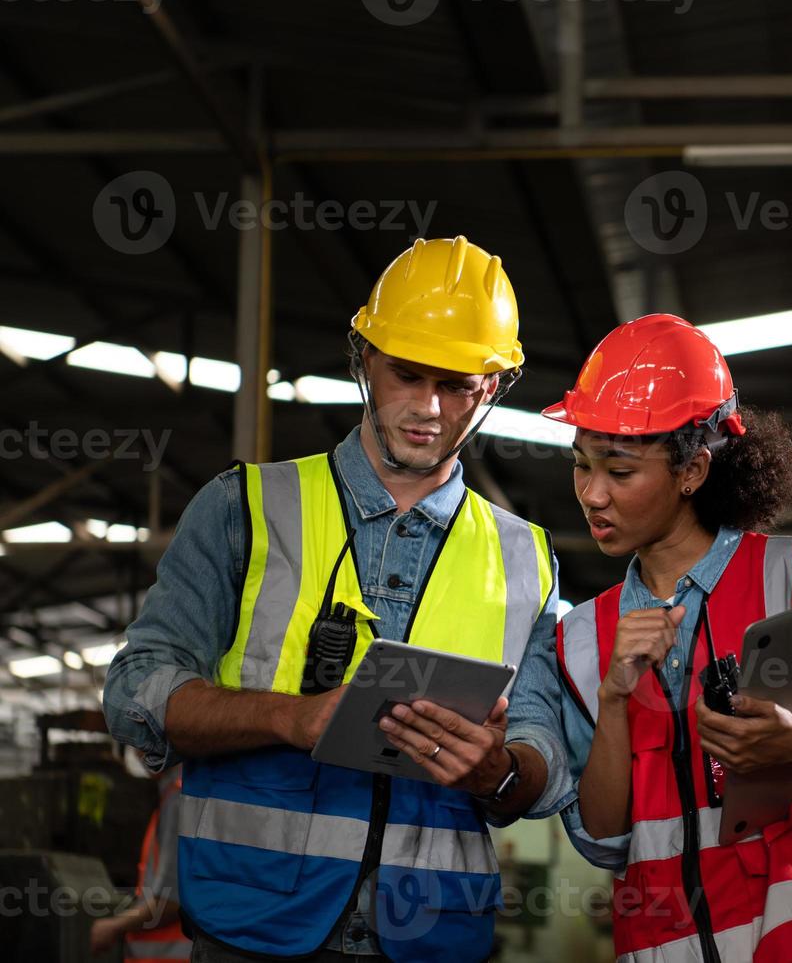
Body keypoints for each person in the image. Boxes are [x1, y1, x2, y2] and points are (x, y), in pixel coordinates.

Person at [103, 237, 564, 963]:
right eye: (406, 376)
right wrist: (289, 717)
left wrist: (500, 772)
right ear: (362, 359)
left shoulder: (525, 557)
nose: (429, 409)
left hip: (430, 935)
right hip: (250, 925)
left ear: (495, 388)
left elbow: (547, 755)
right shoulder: (244, 510)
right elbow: (134, 694)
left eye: (457, 387)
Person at [539, 313, 792, 961]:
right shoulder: (583, 637)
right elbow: (603, 840)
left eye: (619, 473)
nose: (592, 494)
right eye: (581, 465)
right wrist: (616, 702)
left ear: (693, 470)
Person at [90, 763, 191, 962]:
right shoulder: (174, 796)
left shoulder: (178, 799)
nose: (138, 751)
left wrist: (114, 926)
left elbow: (170, 902)